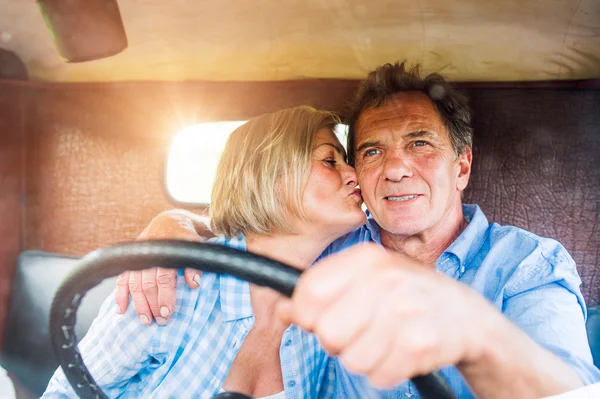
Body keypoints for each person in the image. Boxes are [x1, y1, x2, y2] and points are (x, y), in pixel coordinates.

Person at [119, 62, 600, 398]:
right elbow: (259, 231)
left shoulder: (527, 264)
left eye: (419, 143)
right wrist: (174, 225)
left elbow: (570, 389)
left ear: (461, 166)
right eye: (372, 151)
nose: (395, 169)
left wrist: (473, 331)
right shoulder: (328, 249)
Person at [42, 106, 368, 398]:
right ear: (269, 177)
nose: (354, 174)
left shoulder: (340, 278)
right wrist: (169, 224)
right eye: (329, 160)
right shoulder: (171, 286)